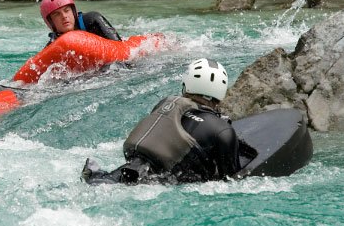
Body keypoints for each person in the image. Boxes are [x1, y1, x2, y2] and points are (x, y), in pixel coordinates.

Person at [82, 58, 241, 184]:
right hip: (157, 184)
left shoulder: (165, 104)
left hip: (127, 171)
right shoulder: (222, 130)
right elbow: (230, 180)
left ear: (186, 85)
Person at [40, 0, 121, 45]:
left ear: (73, 12)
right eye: (57, 14)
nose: (64, 16)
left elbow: (119, 46)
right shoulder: (53, 44)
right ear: (50, 22)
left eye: (67, 10)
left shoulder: (92, 20)